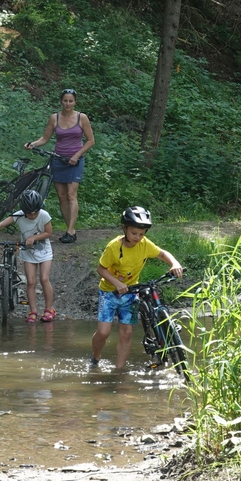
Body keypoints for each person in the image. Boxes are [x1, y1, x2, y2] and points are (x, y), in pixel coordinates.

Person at [90, 206, 183, 369]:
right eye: (134, 233)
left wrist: (174, 263)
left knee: (126, 334)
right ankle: (95, 357)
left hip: (131, 293)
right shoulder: (114, 247)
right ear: (124, 229)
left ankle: (119, 371)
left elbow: (162, 253)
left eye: (142, 234)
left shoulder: (144, 244)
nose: (138, 237)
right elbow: (101, 269)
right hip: (109, 293)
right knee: (103, 332)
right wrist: (117, 283)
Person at [25, 88, 95, 244]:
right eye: (65, 100)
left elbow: (91, 140)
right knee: (62, 196)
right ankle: (71, 229)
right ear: (61, 101)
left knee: (71, 194)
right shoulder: (54, 118)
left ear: (75, 102)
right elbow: (45, 138)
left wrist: (77, 155)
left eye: (71, 101)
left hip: (76, 161)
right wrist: (33, 144)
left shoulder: (82, 118)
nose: (68, 103)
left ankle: (70, 230)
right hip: (58, 159)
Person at [0, 190, 57, 323]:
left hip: (43, 250)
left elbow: (48, 233)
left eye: (35, 212)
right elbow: (1, 225)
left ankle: (49, 309)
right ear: (24, 211)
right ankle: (33, 310)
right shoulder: (18, 215)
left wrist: (34, 237)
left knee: (44, 278)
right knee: (31, 281)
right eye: (29, 213)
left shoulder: (44, 215)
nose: (33, 215)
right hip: (27, 251)